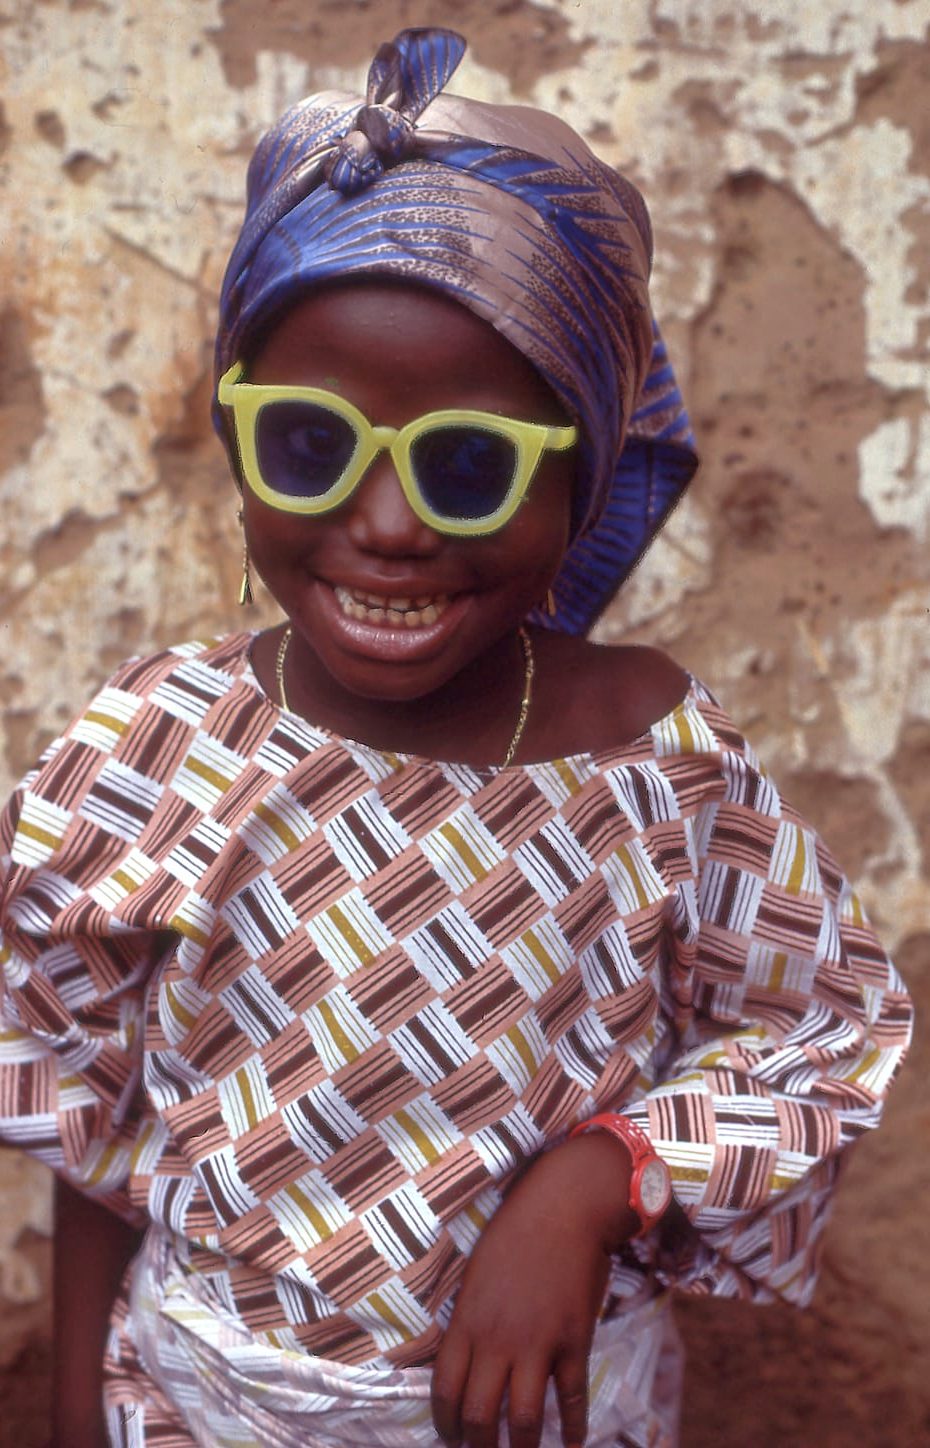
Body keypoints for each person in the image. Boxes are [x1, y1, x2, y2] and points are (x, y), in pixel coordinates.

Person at [0, 26, 913, 1448]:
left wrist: (600, 1176)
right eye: (311, 444)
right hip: (195, 1409)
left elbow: (818, 1027)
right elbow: (91, 1125)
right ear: (238, 448)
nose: (387, 525)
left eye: (471, 464)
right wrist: (68, 1413)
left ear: (580, 477)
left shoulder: (653, 762)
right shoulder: (154, 748)